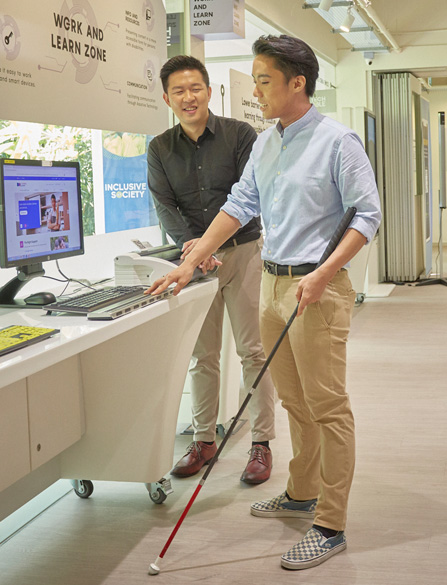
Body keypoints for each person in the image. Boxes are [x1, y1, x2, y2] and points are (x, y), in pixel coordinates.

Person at [147, 36, 381, 570]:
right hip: (273, 285)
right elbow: (239, 204)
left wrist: (324, 274)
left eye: (263, 80)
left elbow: (366, 215)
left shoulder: (337, 141)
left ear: (297, 83)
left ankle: (331, 524)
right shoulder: (266, 142)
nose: (254, 91)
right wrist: (190, 260)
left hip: (315, 289)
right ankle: (301, 491)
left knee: (328, 407)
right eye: (253, 80)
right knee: (296, 404)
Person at [148, 55, 276, 484]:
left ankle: (261, 443)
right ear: (167, 98)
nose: (189, 98)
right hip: (194, 265)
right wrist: (194, 251)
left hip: (241, 254)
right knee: (202, 356)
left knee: (253, 351)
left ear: (209, 91)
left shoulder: (240, 135)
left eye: (195, 88)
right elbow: (165, 206)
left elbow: (247, 196)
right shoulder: (159, 148)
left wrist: (211, 244)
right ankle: (204, 439)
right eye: (179, 91)